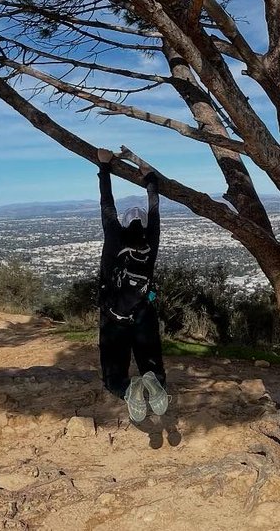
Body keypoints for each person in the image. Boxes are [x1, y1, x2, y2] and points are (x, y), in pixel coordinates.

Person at [96, 147, 169, 423]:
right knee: (154, 366)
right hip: (144, 310)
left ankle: (129, 389)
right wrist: (149, 177)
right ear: (145, 224)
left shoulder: (114, 234)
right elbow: (155, 205)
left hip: (113, 314)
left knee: (112, 377)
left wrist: (104, 167)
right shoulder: (152, 238)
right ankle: (151, 381)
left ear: (125, 223)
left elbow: (107, 203)